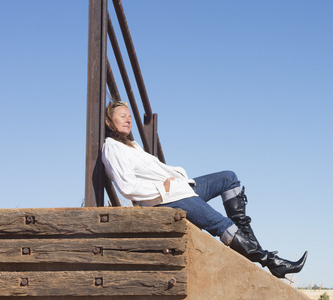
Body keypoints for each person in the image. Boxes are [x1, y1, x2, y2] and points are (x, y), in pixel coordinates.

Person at [102, 101, 307, 278]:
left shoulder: (132, 145)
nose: (128, 119)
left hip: (180, 189)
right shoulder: (112, 147)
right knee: (222, 225)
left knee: (229, 178)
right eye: (122, 116)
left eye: (129, 116)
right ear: (109, 121)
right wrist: (160, 187)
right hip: (166, 199)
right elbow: (127, 187)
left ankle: (251, 244)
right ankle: (273, 262)